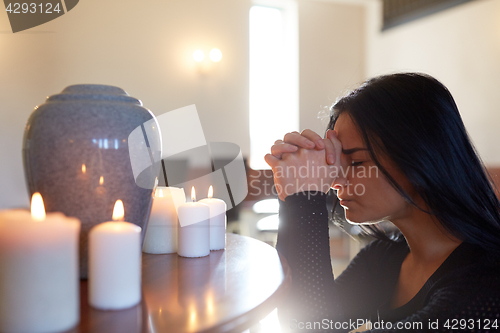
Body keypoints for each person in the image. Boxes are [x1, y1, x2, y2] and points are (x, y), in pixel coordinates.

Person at [265, 73, 500, 332]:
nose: (335, 181)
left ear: (419, 157)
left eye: (355, 162)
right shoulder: (385, 258)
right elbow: (300, 322)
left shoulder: (484, 285)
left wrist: (305, 201)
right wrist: (292, 196)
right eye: (336, 164)